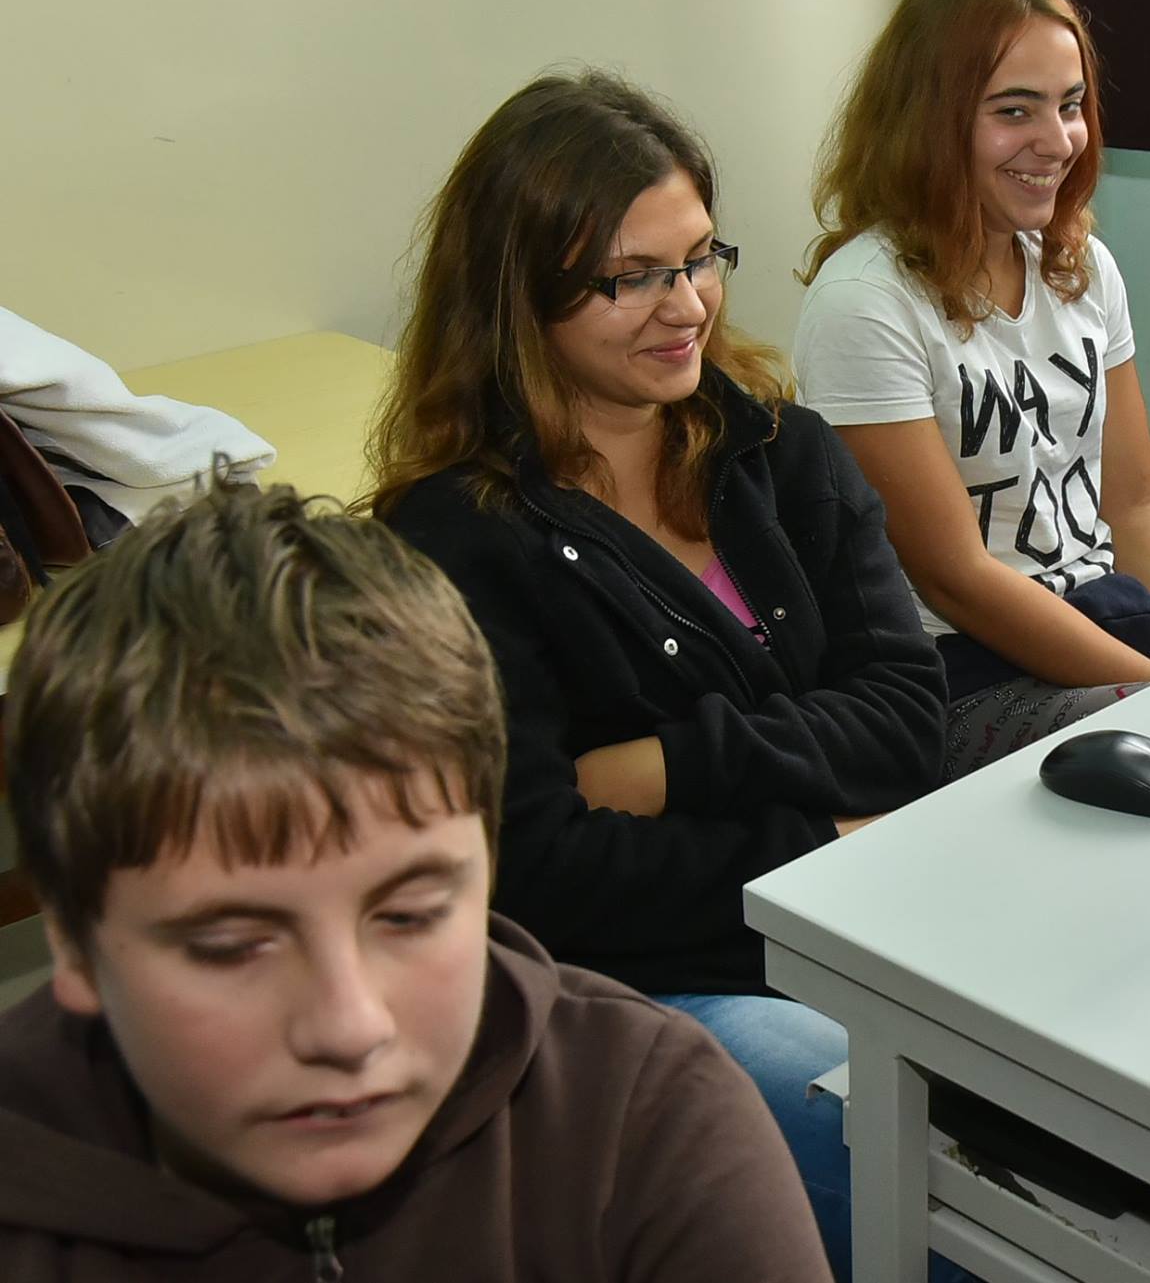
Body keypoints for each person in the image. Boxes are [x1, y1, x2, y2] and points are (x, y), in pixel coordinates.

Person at [368, 72, 948, 1281]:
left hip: (848, 917)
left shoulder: (779, 449)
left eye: (697, 259)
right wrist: (819, 839)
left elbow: (904, 715)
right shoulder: (460, 539)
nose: (683, 306)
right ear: (520, 300)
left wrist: (664, 766)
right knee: (905, 1158)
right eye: (628, 279)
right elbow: (536, 870)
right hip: (643, 984)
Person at [0, 480, 830, 1280]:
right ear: (72, 939)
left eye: (412, 914)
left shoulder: (649, 1120)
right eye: (229, 945)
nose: (350, 1026)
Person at [796, 0, 1150, 778]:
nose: (1058, 141)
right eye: (1015, 110)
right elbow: (958, 580)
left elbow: (1137, 505)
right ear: (929, 121)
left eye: (1070, 105)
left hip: (1104, 623)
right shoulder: (864, 302)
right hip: (965, 675)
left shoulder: (1081, 264)